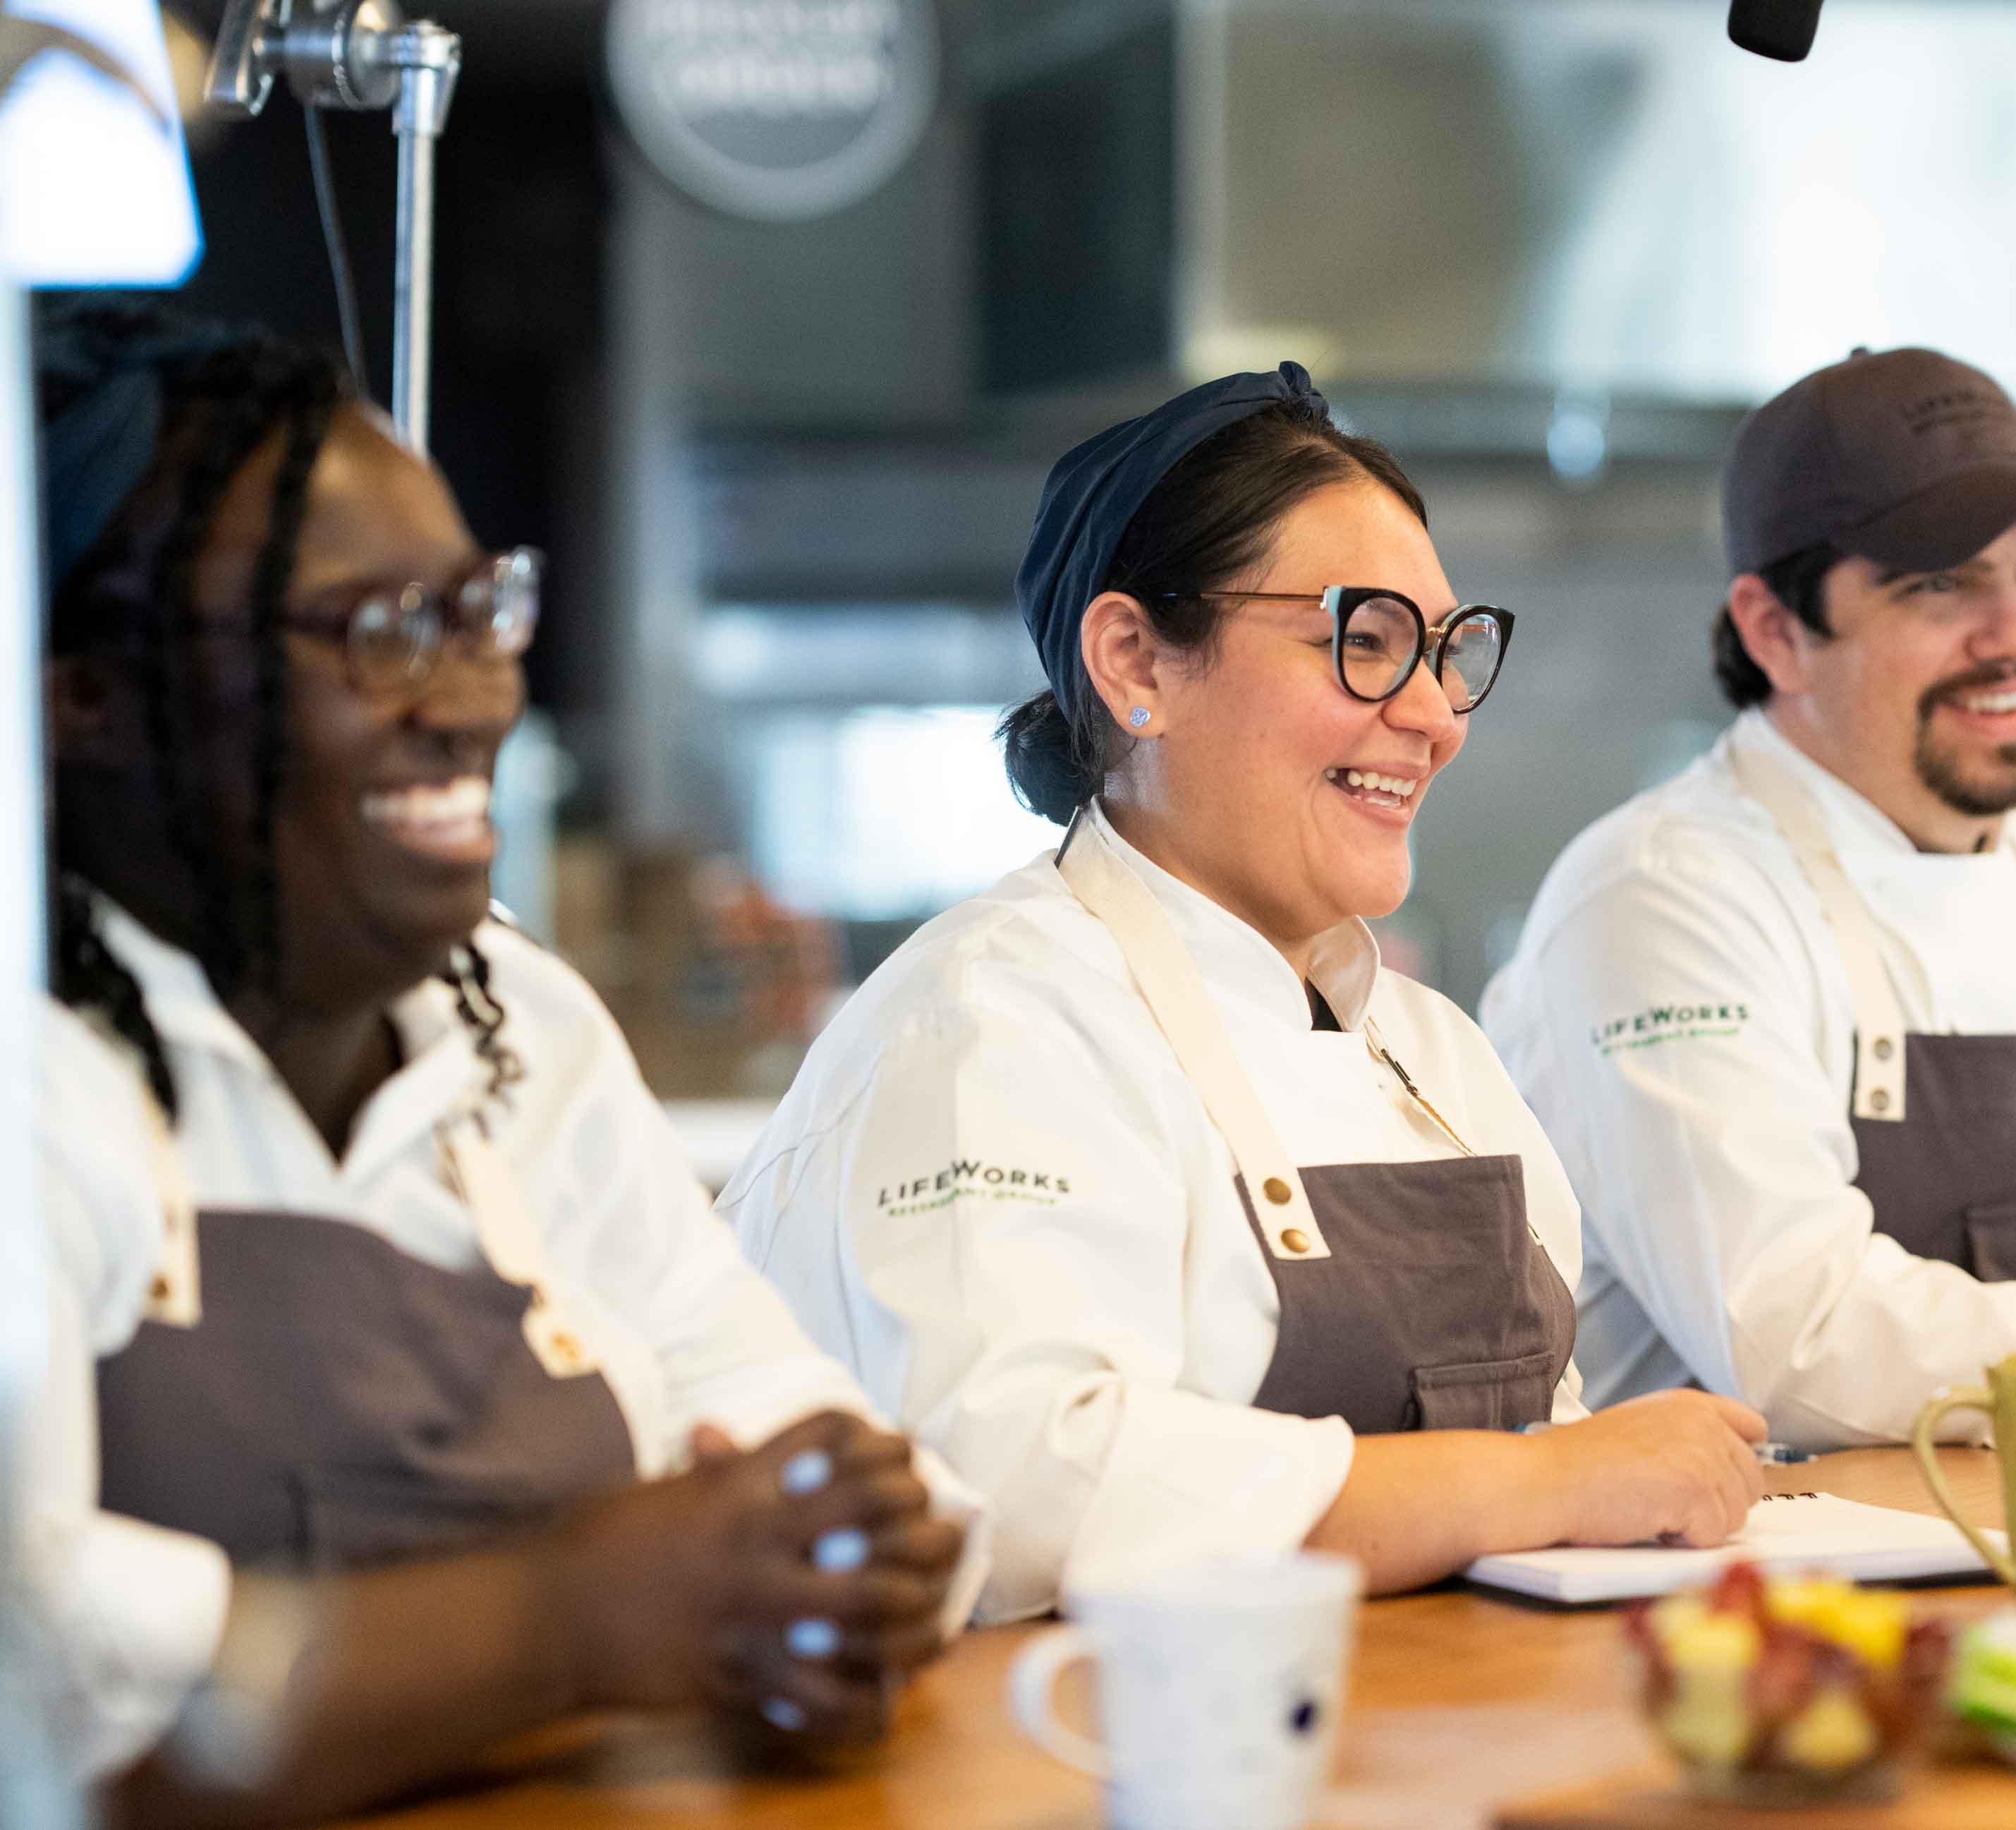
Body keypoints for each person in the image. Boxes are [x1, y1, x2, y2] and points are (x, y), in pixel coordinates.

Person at [30, 302, 987, 1826]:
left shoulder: (517, 1032)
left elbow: (789, 1411)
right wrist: (567, 1616)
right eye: (379, 633)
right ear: (84, 694)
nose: (475, 697)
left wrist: (861, 1544)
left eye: (478, 614)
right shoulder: (38, 1068)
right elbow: (35, 1665)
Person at [722, 363, 1766, 1623]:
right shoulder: (990, 1019)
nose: (1435, 715)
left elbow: (1563, 1495)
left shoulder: (1434, 1055)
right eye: (1364, 641)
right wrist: (1535, 1477)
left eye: (1442, 652)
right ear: (1133, 660)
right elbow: (1022, 1489)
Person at [1481, 346, 2016, 1450]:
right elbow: (1802, 1334)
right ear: (1775, 630)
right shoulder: (1659, 895)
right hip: (1721, 1587)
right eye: (1941, 584)